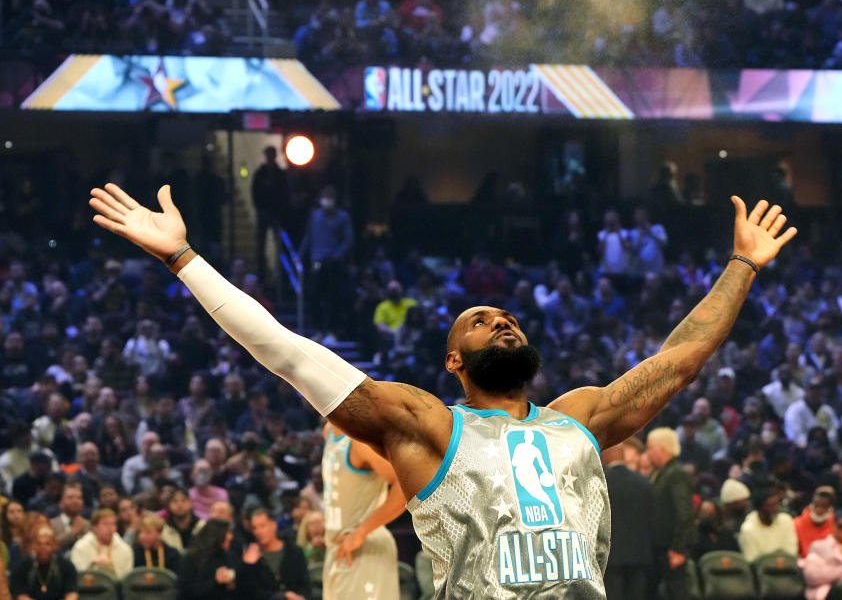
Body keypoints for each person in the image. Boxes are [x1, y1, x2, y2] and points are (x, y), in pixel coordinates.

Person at [89, 182, 796, 597]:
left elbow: (681, 359)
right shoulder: (426, 424)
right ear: (455, 360)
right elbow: (289, 352)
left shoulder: (580, 417)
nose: (504, 322)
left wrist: (742, 263)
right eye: (483, 322)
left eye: (509, 317)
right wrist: (184, 258)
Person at [321, 423, 405, 599]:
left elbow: (405, 485)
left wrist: (361, 532)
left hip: (364, 546)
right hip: (337, 548)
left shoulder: (359, 441)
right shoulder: (328, 431)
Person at [602, 441, 655, 600]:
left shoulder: (601, 481)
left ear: (605, 456)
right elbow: (651, 517)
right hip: (640, 554)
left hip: (611, 557)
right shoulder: (643, 482)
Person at [299, 186, 353, 333]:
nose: (327, 200)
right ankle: (319, 328)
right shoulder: (315, 216)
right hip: (317, 262)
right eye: (325, 196)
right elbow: (309, 237)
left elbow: (347, 240)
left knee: (334, 297)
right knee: (314, 295)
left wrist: (337, 256)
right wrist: (300, 255)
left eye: (330, 197)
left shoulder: (343, 217)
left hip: (335, 264)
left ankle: (333, 330)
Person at [648, 427, 694, 600]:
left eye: (650, 448)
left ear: (661, 449)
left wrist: (678, 548)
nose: (648, 453)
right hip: (662, 547)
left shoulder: (676, 474)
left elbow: (684, 513)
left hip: (671, 548)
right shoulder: (663, 473)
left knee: (677, 592)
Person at [239, 508, 311, 600]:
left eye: (262, 526)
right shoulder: (251, 557)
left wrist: (301, 597)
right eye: (254, 528)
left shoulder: (294, 551)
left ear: (274, 525)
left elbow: (306, 585)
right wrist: (248, 566)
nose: (258, 531)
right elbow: (249, 593)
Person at [10, 525, 77, 600]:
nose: (43, 547)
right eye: (39, 544)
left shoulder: (66, 565)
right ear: (34, 546)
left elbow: (72, 594)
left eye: (47, 544)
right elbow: (21, 596)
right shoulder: (22, 567)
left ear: (54, 546)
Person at [178, 518, 240, 600]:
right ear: (218, 534)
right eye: (228, 532)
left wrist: (232, 583)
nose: (231, 537)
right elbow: (186, 591)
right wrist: (215, 581)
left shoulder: (229, 556)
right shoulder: (192, 558)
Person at [251, 146, 289, 280]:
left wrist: (280, 210)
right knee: (261, 244)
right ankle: (262, 274)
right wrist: (260, 209)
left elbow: (284, 193)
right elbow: (255, 192)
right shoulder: (260, 174)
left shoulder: (280, 174)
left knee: (280, 245)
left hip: (276, 214)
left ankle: (281, 275)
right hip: (264, 212)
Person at [738, 484, 799, 561]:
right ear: (760, 508)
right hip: (761, 571)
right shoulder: (748, 529)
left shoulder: (786, 520)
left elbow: (791, 552)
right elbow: (752, 560)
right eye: (771, 506)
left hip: (787, 567)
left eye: (777, 505)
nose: (776, 509)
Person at [69, 508, 133, 578]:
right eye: (105, 524)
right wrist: (92, 565)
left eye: (113, 524)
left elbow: (126, 580)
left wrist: (110, 567)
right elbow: (78, 577)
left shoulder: (125, 549)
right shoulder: (81, 547)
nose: (110, 528)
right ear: (95, 527)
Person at [795, 486, 837, 558]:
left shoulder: (837, 526)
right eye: (820, 497)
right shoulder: (797, 524)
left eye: (827, 500)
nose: (823, 500)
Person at [49, 482, 87, 552]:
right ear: (61, 503)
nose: (75, 501)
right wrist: (73, 532)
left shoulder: (88, 525)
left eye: (79, 498)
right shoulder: (50, 524)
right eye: (70, 497)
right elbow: (50, 546)